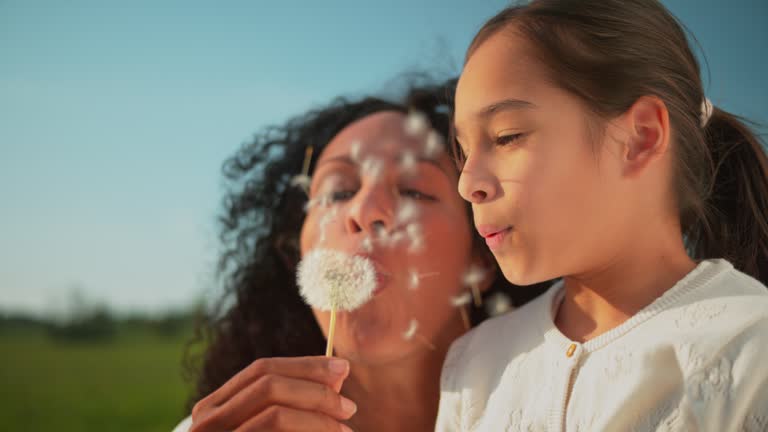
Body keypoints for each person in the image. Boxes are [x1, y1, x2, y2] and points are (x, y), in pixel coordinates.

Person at [437, 1, 768, 430]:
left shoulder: (751, 345)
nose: (467, 183)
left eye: (507, 136)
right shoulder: (475, 365)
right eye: (463, 151)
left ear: (641, 137)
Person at [173, 78, 550, 432]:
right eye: (338, 193)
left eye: (414, 191)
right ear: (295, 251)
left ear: (481, 258)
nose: (364, 211)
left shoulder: (570, 408)